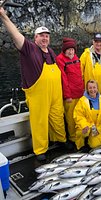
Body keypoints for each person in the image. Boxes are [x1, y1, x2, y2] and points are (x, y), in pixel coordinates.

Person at [0, 7, 67, 161]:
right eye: (41, 36)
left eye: (46, 36)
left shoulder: (50, 52)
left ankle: (61, 140)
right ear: (35, 38)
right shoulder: (29, 49)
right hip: (38, 95)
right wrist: (3, 15)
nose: (44, 38)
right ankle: (40, 150)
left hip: (54, 94)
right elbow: (15, 35)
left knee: (57, 117)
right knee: (40, 122)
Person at [56, 37, 84, 148]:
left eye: (72, 49)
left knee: (79, 116)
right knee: (71, 118)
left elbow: (80, 75)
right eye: (68, 49)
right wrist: (67, 96)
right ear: (64, 50)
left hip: (80, 93)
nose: (71, 51)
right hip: (70, 96)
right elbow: (63, 79)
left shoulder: (76, 58)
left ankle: (80, 136)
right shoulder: (60, 59)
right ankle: (72, 138)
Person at [73, 80, 101, 151]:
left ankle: (92, 140)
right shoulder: (82, 101)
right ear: (87, 89)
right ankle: (81, 145)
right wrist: (85, 126)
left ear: (97, 88)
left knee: (95, 145)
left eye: (94, 87)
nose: (92, 90)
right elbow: (78, 116)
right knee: (82, 132)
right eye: (90, 88)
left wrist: (99, 129)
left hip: (98, 127)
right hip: (87, 126)